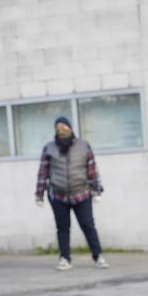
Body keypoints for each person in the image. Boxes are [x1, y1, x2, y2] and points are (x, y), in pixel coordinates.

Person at [35, 116, 108, 270]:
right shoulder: (49, 148)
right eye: (58, 127)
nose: (61, 129)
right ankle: (65, 259)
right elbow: (43, 172)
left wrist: (97, 190)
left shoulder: (83, 146)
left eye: (63, 126)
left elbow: (92, 170)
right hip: (58, 196)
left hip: (81, 194)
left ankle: (98, 256)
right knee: (62, 228)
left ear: (70, 128)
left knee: (88, 225)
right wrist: (39, 194)